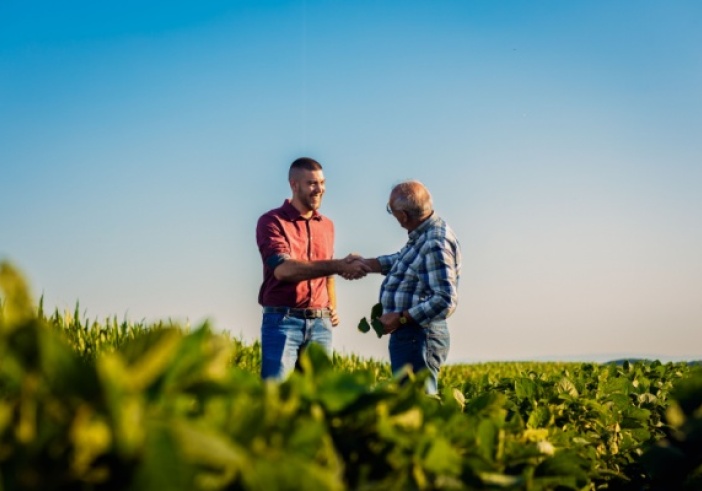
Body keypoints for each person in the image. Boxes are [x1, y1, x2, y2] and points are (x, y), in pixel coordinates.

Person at [256, 157, 370, 380]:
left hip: (321, 325)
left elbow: (325, 271)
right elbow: (283, 270)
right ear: (294, 185)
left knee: (317, 400)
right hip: (282, 322)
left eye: (322, 183)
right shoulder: (271, 221)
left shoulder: (327, 225)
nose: (320, 189)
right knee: (276, 396)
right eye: (312, 183)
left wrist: (332, 306)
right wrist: (339, 265)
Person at [351, 180, 461, 394]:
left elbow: (445, 299)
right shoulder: (424, 235)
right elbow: (402, 261)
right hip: (413, 335)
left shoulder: (434, 242)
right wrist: (366, 263)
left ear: (403, 216)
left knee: (416, 405)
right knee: (409, 400)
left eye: (391, 211)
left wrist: (400, 317)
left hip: (418, 335)